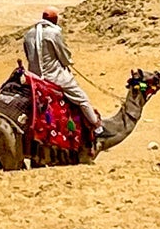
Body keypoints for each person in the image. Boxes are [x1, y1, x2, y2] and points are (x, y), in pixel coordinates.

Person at [22, 8, 103, 136]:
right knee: (82, 99)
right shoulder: (54, 33)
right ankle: (96, 126)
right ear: (54, 20)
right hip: (54, 76)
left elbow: (28, 56)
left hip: (34, 77)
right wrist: (67, 62)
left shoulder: (28, 34)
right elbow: (63, 55)